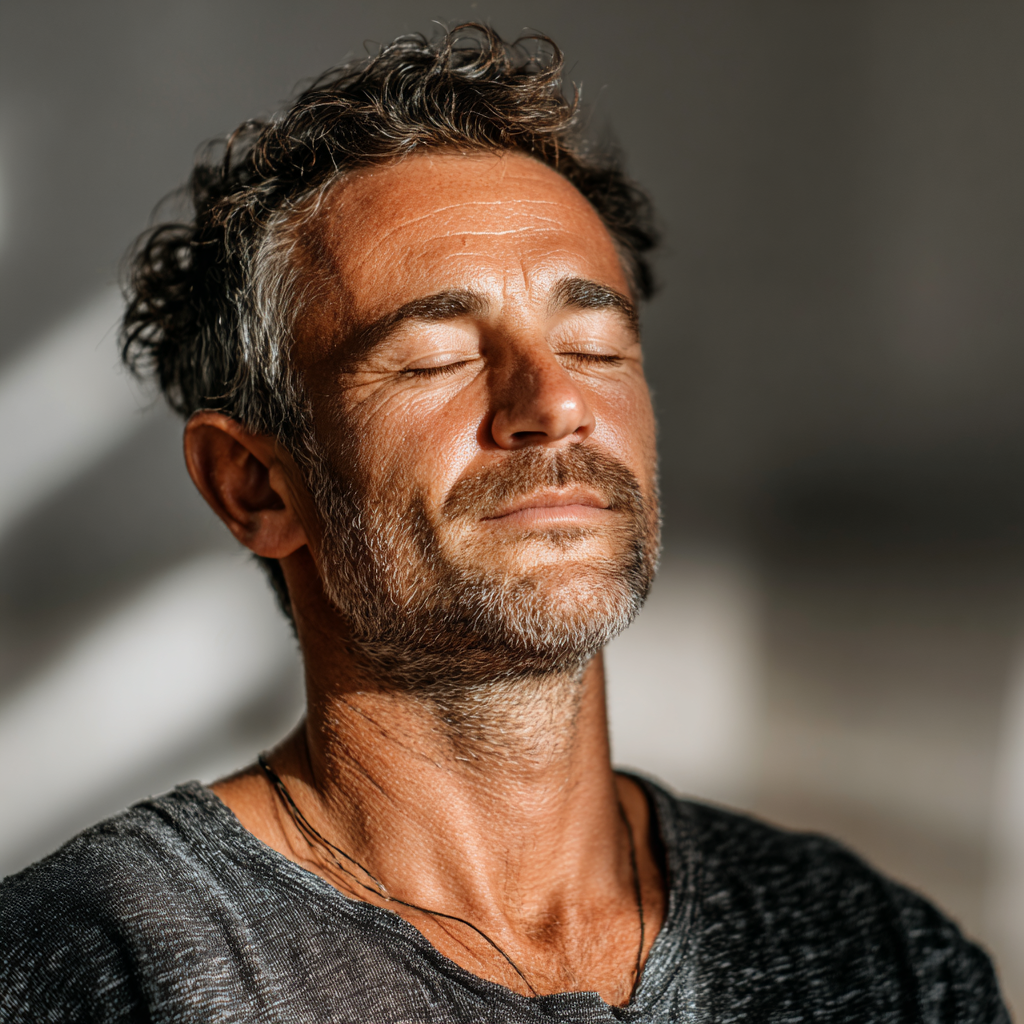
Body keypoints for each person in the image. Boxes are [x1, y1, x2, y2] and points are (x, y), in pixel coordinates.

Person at [0, 24, 1009, 1024]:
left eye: (594, 344)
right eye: (437, 358)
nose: (554, 403)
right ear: (255, 487)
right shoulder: (101, 969)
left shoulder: (870, 952)